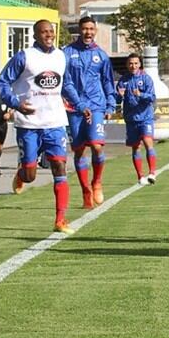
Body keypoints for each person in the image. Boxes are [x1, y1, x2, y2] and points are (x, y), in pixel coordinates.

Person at [0, 19, 85, 234]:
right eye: (43, 32)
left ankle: (60, 220)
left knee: (60, 167)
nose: (48, 35)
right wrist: (16, 104)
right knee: (30, 175)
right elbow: (1, 83)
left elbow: (67, 84)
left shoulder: (60, 56)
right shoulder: (24, 57)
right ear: (35, 35)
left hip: (55, 122)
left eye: (51, 32)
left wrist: (80, 105)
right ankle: (22, 173)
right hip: (29, 124)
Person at [62, 16, 116, 209]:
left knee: (97, 145)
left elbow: (108, 81)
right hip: (75, 107)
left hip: (96, 106)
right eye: (85, 29)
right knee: (78, 150)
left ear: (96, 31)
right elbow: (65, 82)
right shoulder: (67, 53)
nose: (88, 32)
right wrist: (77, 103)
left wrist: (111, 104)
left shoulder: (101, 55)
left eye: (91, 29)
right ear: (79, 30)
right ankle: (85, 190)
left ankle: (97, 182)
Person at [116, 53, 157, 186]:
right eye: (130, 63)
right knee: (135, 147)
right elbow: (117, 100)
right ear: (127, 65)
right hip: (131, 119)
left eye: (135, 63)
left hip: (145, 117)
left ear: (140, 64)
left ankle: (152, 173)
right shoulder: (123, 81)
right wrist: (118, 96)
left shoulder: (146, 79)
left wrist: (141, 94)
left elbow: (152, 97)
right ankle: (140, 176)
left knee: (147, 141)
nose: (133, 66)